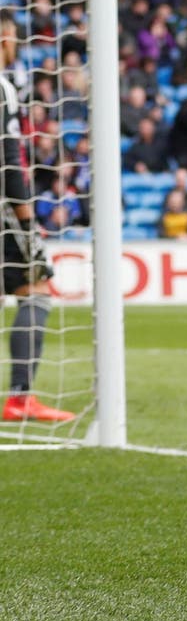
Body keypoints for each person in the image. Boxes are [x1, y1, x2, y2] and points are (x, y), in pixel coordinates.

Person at [1, 21, 74, 423]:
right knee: (37, 290)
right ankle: (20, 399)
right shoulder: (3, 87)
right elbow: (9, 160)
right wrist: (27, 220)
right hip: (5, 209)